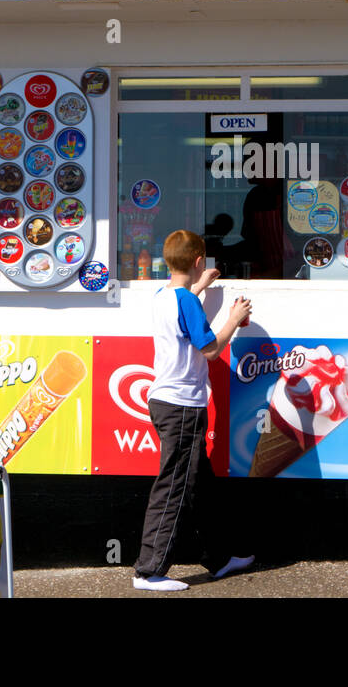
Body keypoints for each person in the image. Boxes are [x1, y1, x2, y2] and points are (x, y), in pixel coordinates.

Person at [132, 229, 254, 592]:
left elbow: (184, 304)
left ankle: (218, 558)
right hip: (183, 405)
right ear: (199, 259)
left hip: (164, 400)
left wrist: (200, 284)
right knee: (173, 487)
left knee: (198, 484)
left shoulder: (162, 295)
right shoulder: (186, 302)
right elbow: (211, 349)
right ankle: (149, 570)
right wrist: (234, 316)